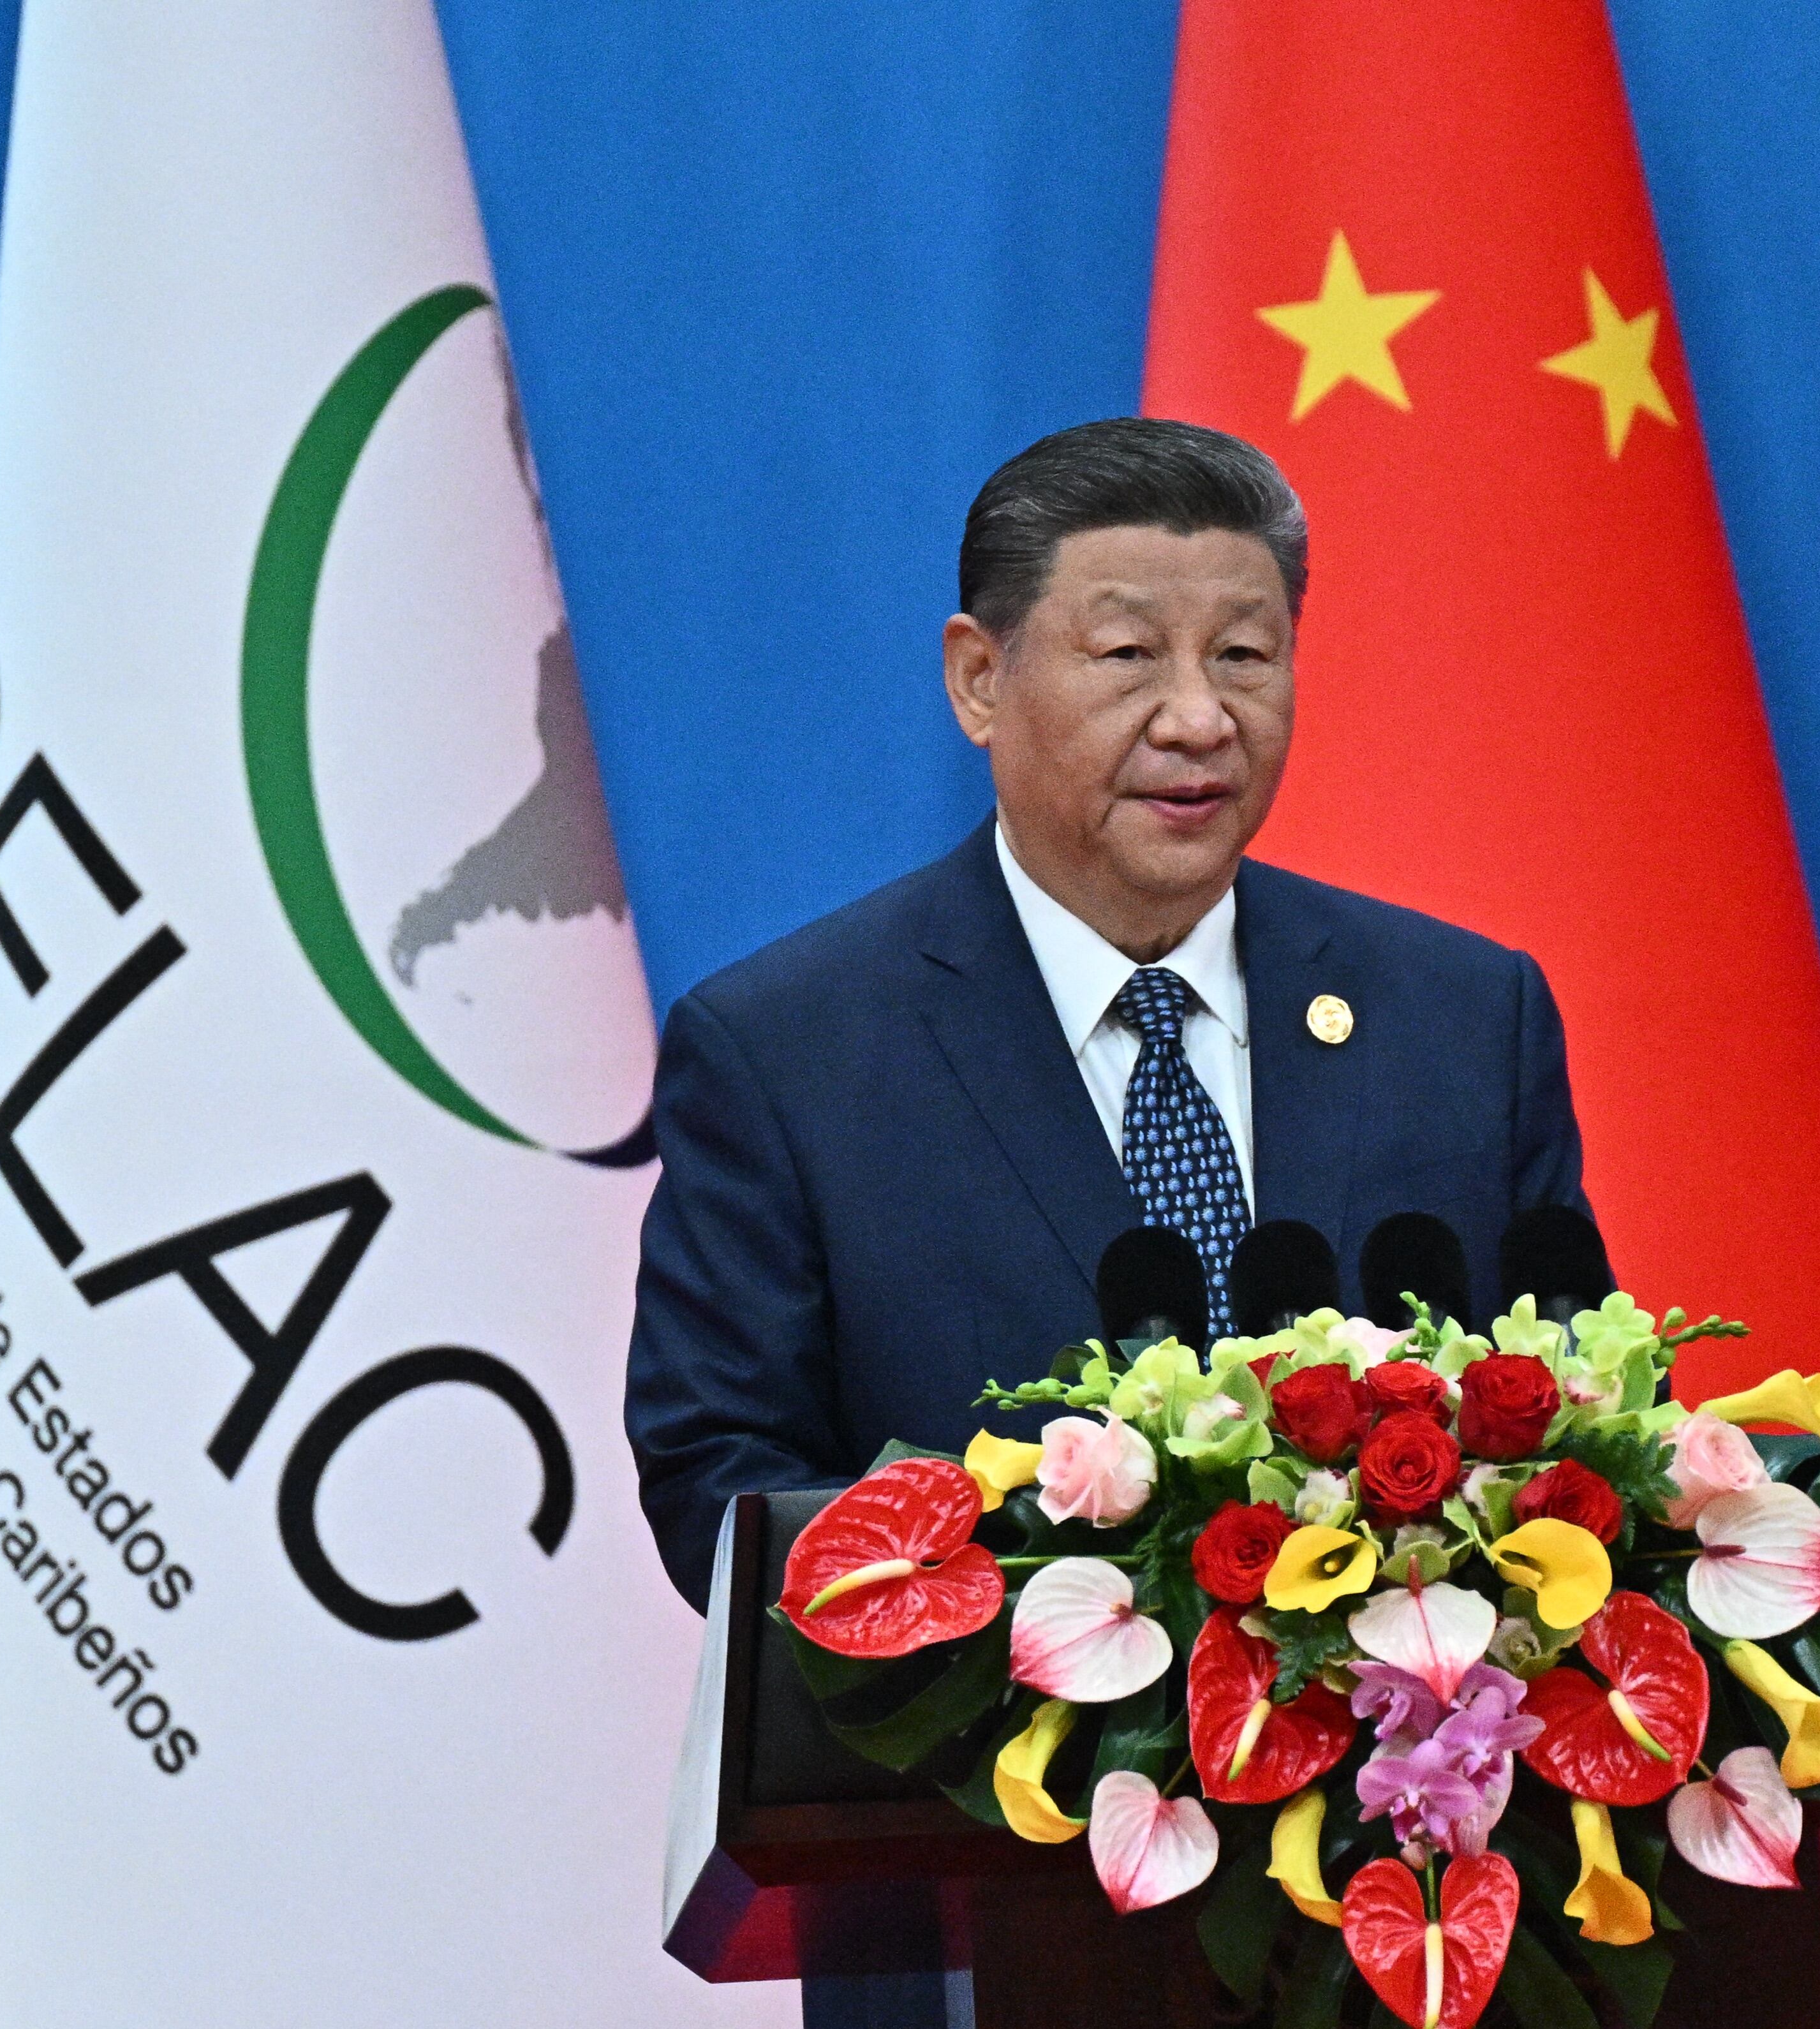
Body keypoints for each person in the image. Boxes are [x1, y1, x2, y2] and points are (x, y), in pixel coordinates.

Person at [623, 420, 1597, 2023]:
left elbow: (1570, 1422)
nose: (1199, 716)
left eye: (1247, 654)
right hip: (987, 1904)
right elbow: (717, 1476)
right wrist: (1048, 1612)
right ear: (979, 679)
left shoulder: (1460, 1015)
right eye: (1130, 652)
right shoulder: (790, 1049)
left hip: (1425, 1917)